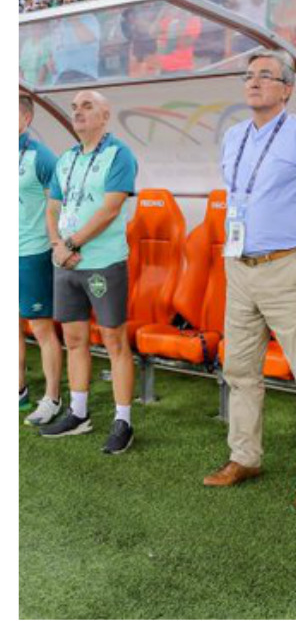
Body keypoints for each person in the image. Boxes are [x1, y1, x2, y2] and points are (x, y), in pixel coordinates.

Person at [203, 50, 296, 511]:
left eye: (265, 75)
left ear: (287, 88)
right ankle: (244, 457)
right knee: (240, 370)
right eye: (248, 75)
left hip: (289, 266)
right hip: (239, 266)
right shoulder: (234, 136)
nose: (253, 82)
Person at [39, 91, 139, 454]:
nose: (78, 112)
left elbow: (110, 210)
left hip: (103, 262)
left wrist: (71, 244)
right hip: (66, 263)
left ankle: (123, 421)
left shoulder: (119, 154)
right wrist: (57, 245)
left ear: (105, 115)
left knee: (114, 341)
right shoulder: (66, 158)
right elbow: (52, 208)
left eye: (87, 106)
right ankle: (78, 413)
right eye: (74, 108)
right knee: (74, 339)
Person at [19, 95, 63, 425]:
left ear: (26, 119)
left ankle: (52, 398)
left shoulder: (41, 156)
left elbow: (60, 201)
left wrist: (56, 241)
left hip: (32, 253)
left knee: (41, 328)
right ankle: (18, 390)